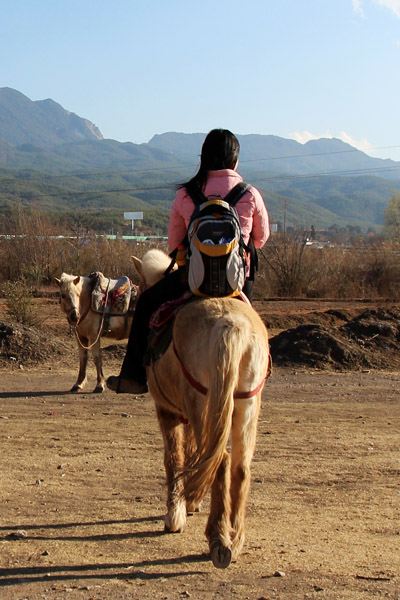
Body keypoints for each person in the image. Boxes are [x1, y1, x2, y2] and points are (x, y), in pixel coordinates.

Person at [106, 128, 270, 394]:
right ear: (235, 161)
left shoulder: (186, 194)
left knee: (147, 303)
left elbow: (175, 244)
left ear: (204, 158)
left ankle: (133, 377)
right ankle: (260, 371)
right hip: (237, 284)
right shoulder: (250, 194)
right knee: (254, 327)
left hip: (191, 281)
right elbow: (261, 238)